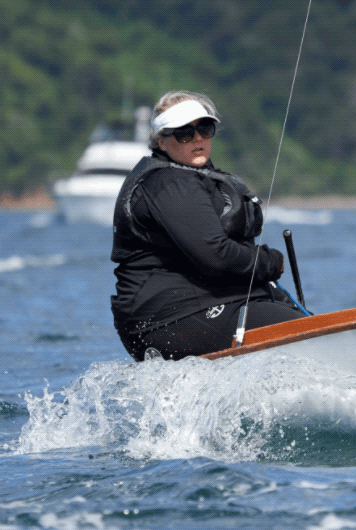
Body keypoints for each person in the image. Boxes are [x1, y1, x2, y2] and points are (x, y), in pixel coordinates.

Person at [111, 90, 305, 362]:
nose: (198, 139)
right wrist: (270, 261)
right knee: (299, 328)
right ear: (161, 141)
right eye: (184, 134)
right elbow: (215, 254)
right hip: (172, 317)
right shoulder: (168, 183)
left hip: (207, 304)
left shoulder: (192, 176)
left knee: (299, 318)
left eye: (204, 128)